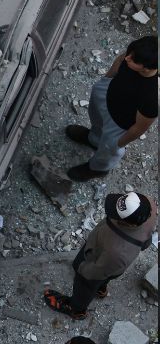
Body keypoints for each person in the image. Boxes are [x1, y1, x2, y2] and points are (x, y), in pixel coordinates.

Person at [44, 191, 156, 320]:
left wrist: (81, 268)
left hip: (98, 262)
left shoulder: (117, 252)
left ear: (129, 224)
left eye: (117, 214)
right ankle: (100, 290)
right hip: (112, 266)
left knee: (85, 286)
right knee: (105, 277)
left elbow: (96, 272)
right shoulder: (150, 207)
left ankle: (76, 310)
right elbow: (145, 242)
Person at [65, 35, 158, 181]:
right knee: (97, 123)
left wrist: (118, 143)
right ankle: (93, 139)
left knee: (109, 149)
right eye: (130, 53)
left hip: (119, 123)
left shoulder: (150, 97)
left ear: (147, 68)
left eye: (133, 59)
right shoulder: (133, 56)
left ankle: (97, 168)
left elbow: (139, 128)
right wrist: (107, 79)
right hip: (106, 97)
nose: (127, 58)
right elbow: (121, 59)